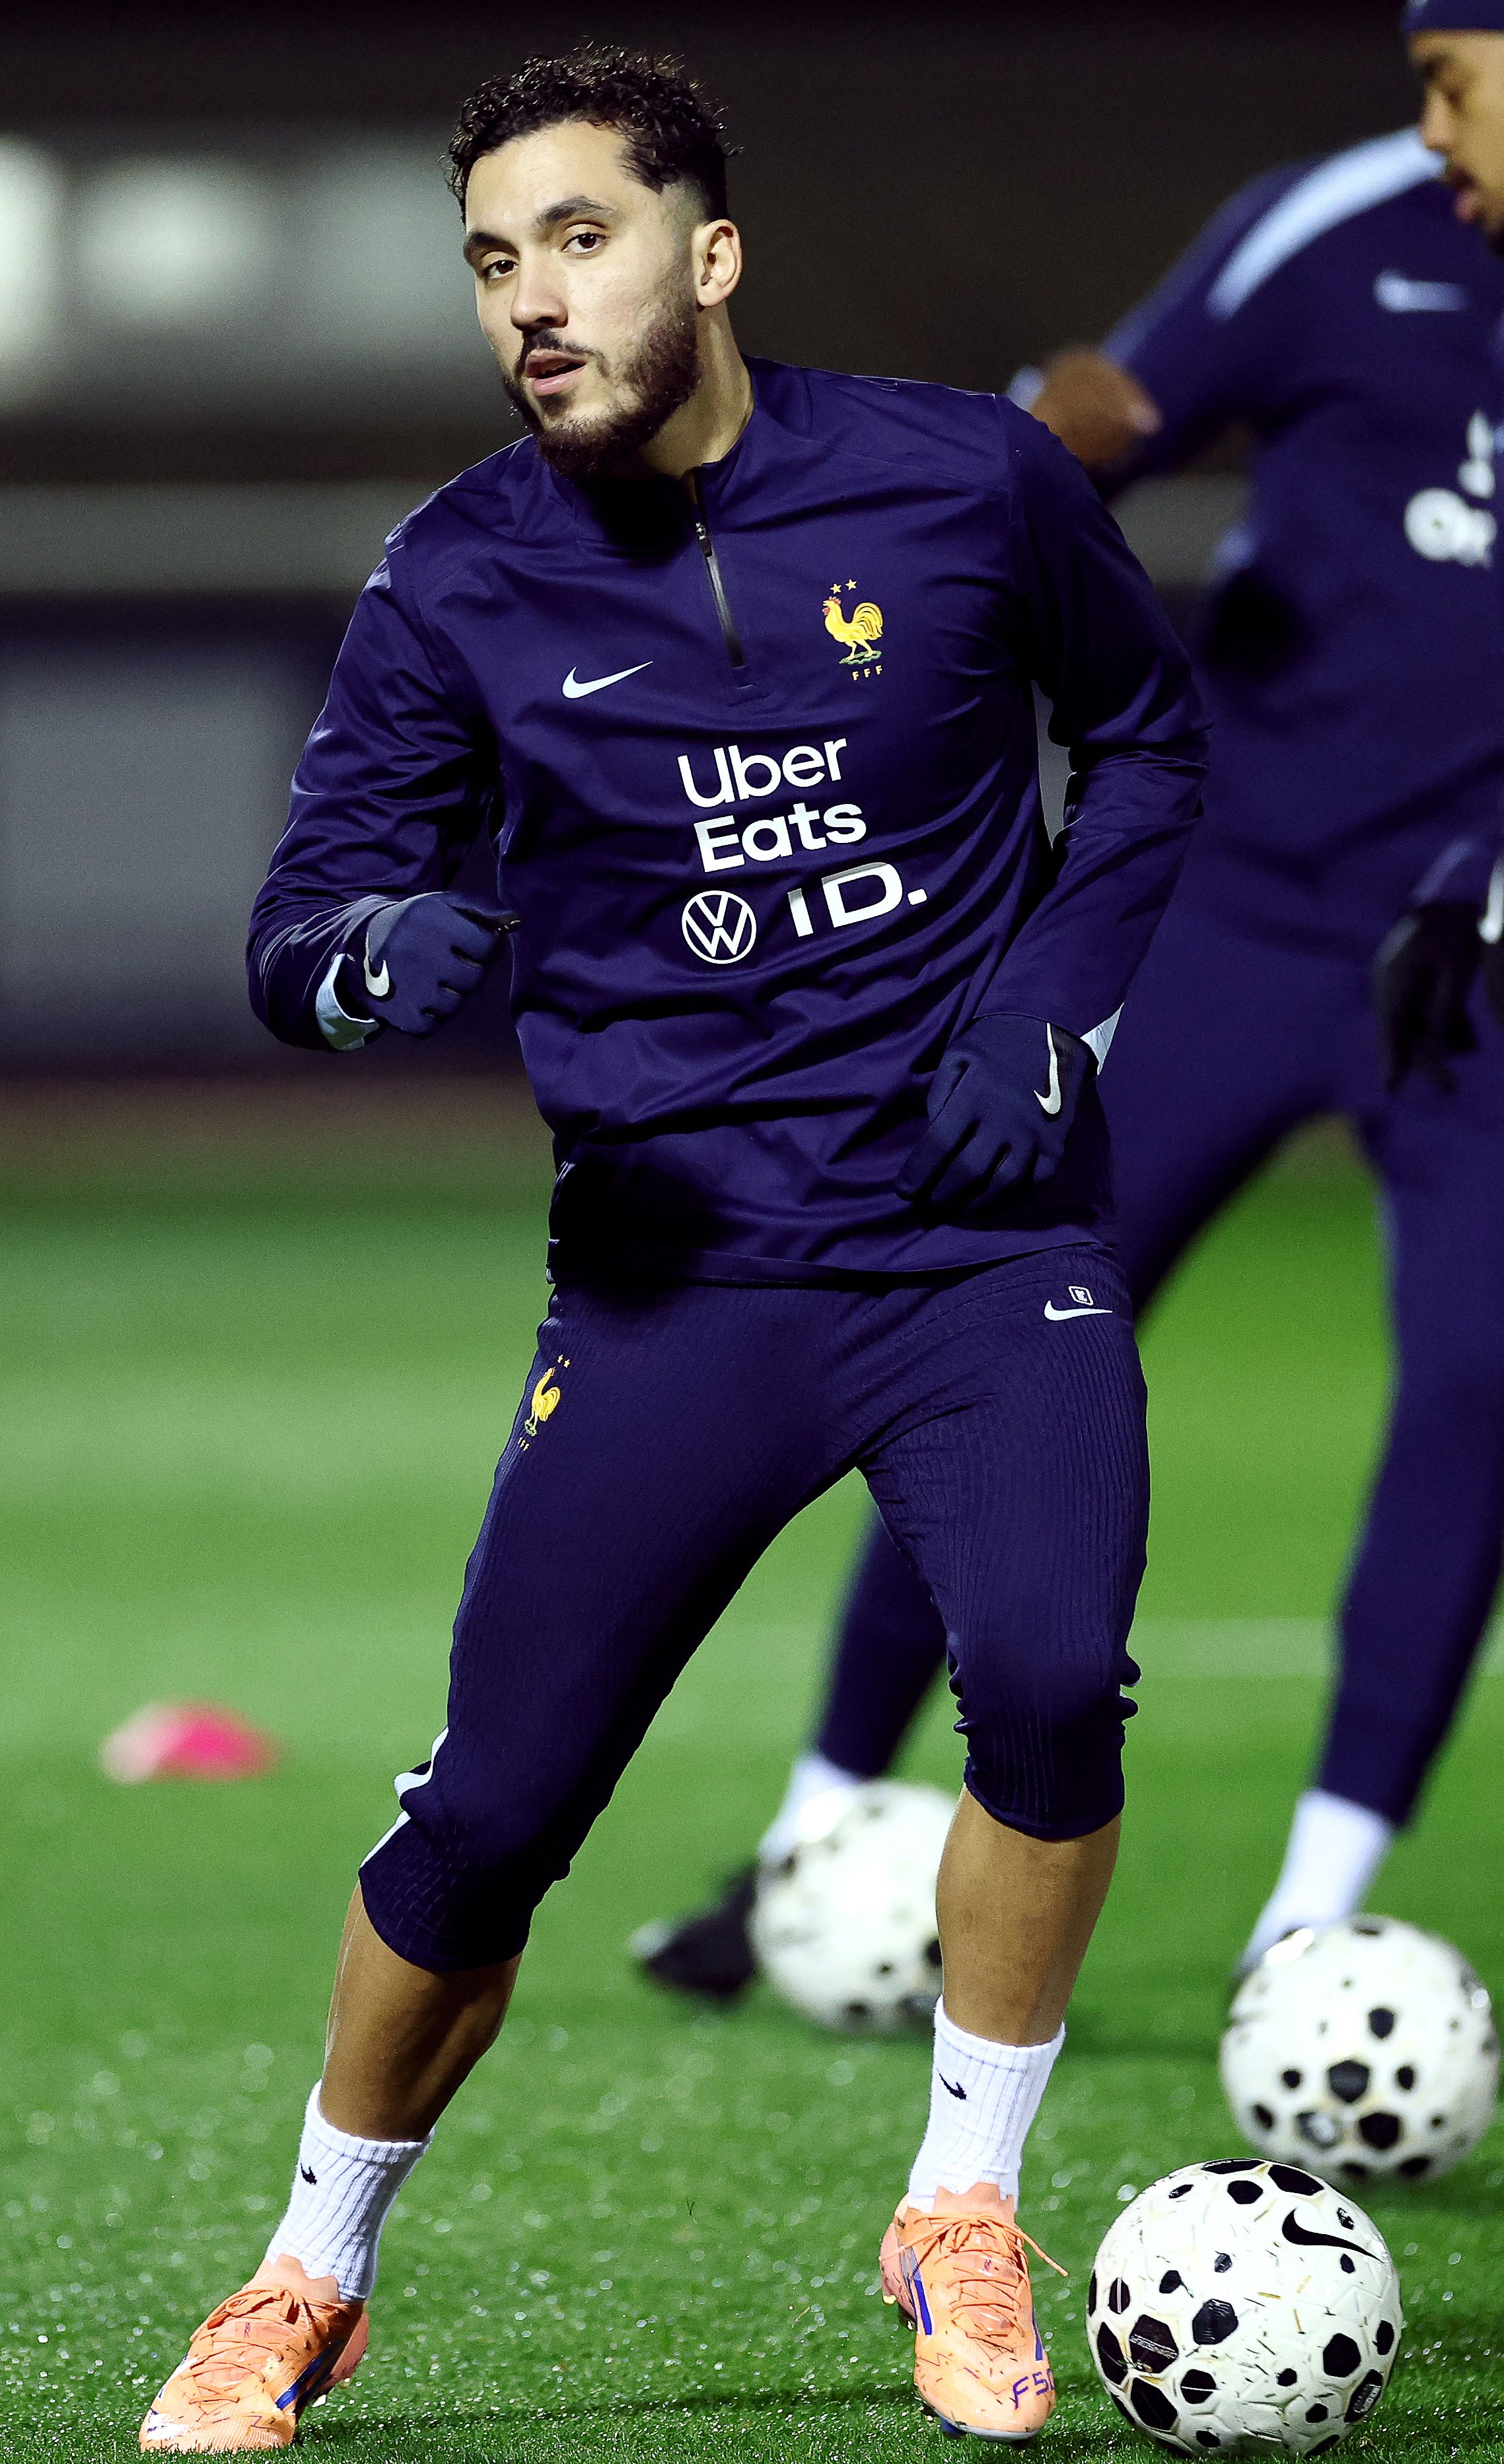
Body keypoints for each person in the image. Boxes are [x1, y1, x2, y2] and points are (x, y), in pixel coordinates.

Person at [139, 44, 1207, 2453]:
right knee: (491, 1820)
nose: (530, 299)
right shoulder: (456, 576)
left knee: (1053, 1677)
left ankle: (963, 2206)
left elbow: (1148, 742)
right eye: (490, 261)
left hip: (977, 1247)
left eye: (579, 237)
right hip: (673, 1282)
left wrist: (1048, 1006)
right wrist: (362, 959)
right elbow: (297, 926)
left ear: (710, 254)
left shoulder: (968, 478)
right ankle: (309, 2267)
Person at [637, 1, 1504, 2008]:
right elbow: (1115, 404)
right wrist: (1016, 473)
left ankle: (1310, 1931)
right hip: (1240, 902)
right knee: (1002, 1322)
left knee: (1479, 1381)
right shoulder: (1345, 223)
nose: (1428, 125)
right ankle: (810, 1839)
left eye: (1453, 79)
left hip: (1475, 946)